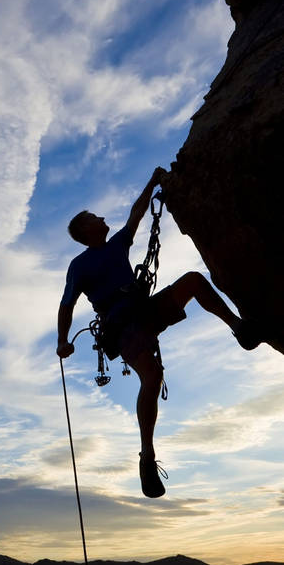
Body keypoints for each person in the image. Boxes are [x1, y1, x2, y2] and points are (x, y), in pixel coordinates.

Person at [56, 167, 261, 498]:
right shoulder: (80, 266)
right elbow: (66, 305)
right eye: (95, 216)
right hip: (122, 326)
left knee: (194, 280)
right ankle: (147, 456)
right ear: (86, 229)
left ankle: (238, 327)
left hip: (144, 309)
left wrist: (152, 182)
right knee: (151, 376)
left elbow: (136, 214)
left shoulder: (117, 243)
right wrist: (62, 340)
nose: (103, 217)